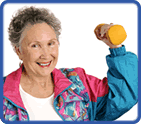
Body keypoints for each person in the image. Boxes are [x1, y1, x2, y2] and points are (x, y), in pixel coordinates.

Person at [3, 6, 138, 121]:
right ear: (18, 51)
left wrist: (116, 47)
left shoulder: (78, 83)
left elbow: (125, 95)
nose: (45, 54)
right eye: (35, 46)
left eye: (51, 43)